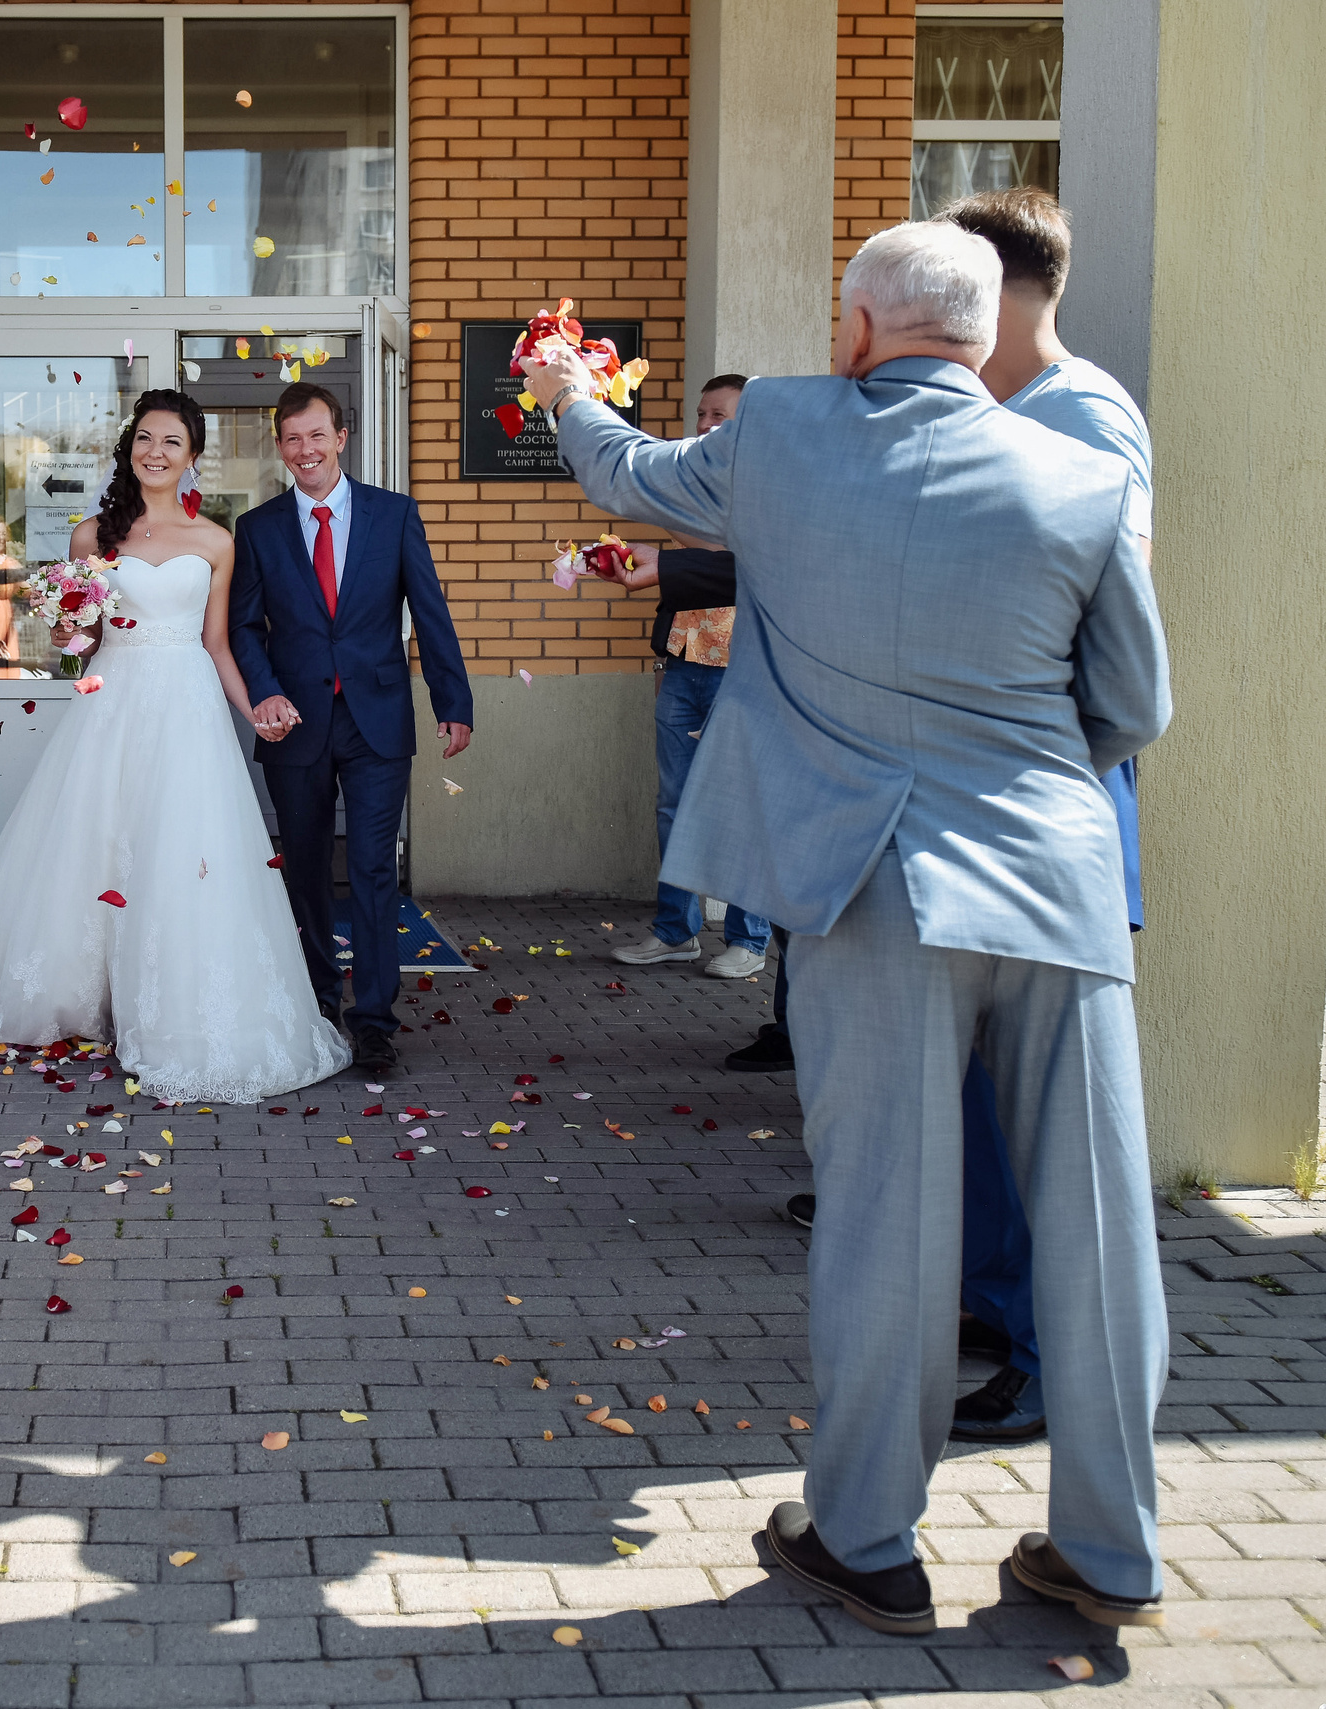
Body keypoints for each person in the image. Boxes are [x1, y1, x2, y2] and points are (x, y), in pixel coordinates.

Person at [527, 218, 1170, 1634]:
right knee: (1100, 1223)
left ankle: (870, 1538)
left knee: (889, 1216)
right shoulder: (1080, 473)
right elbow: (1135, 703)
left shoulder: (786, 434)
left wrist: (569, 389)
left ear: (866, 331)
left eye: (839, 318)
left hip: (876, 887)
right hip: (1059, 882)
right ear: (983, 326)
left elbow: (630, 476)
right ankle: (1112, 1556)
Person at [0, 390, 349, 1100]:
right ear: (130, 447)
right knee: (96, 843)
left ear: (192, 456)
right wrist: (64, 637)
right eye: (146, 439)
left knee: (180, 849)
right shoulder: (91, 537)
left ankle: (174, 1000)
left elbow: (217, 644)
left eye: (172, 442)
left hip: (188, 710)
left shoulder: (216, 540)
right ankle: (87, 991)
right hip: (111, 702)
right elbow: (80, 641)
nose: (156, 452)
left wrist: (257, 706)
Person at [935, 185, 1153, 1446]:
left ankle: (1038, 1357)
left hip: (1042, 816)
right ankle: (993, 1301)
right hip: (983, 820)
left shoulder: (1083, 416)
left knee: (1033, 1122)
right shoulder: (1007, 410)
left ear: (1000, 288)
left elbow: (1115, 665)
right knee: (978, 1098)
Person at [227, 383, 475, 1079]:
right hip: (295, 726)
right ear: (281, 448)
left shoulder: (394, 516)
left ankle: (373, 1022)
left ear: (342, 437)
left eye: (316, 435)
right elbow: (244, 627)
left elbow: (430, 612)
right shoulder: (260, 528)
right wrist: (265, 693)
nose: (304, 450)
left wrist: (452, 699)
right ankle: (316, 998)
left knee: (370, 870)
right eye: (291, 439)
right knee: (305, 869)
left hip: (376, 721)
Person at [605, 375, 773, 982]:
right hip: (684, 660)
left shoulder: (769, 485)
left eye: (719, 415)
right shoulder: (694, 481)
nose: (705, 425)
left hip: (742, 666)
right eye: (701, 414)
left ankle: (749, 938)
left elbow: (725, 551)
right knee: (675, 803)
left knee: (741, 804)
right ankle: (676, 932)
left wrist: (667, 512)